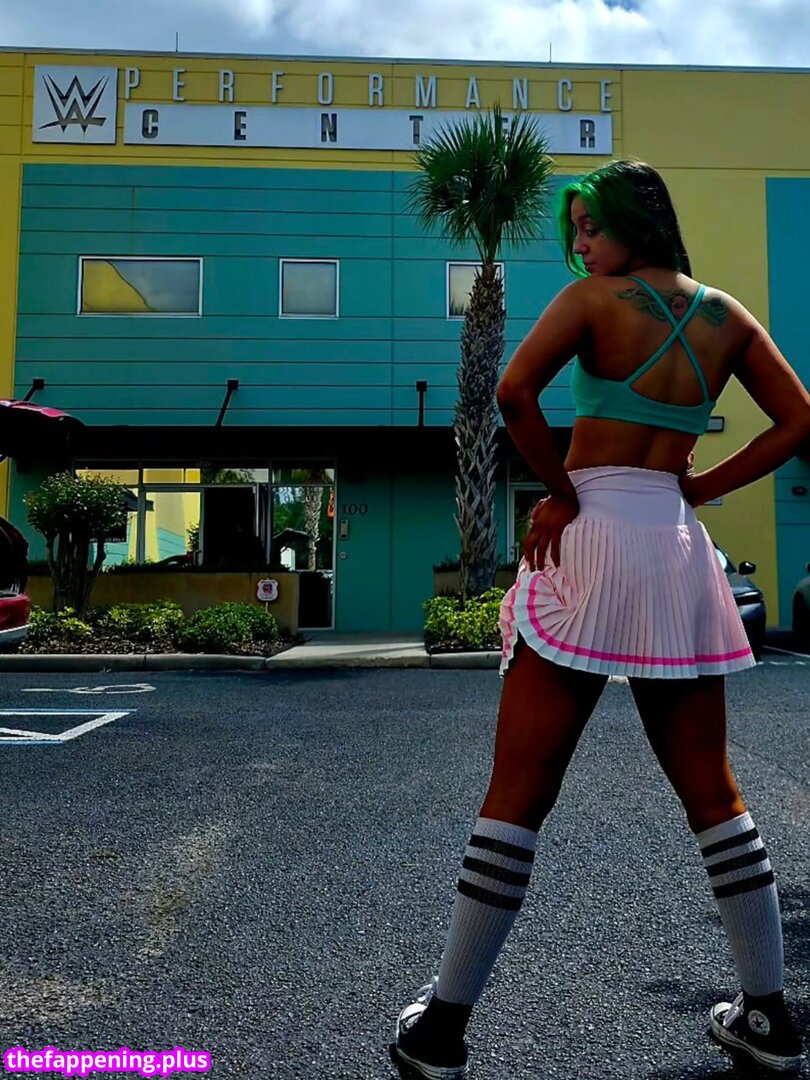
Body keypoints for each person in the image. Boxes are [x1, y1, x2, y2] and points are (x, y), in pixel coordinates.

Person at [391, 159, 810, 1078]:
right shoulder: (728, 315)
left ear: (636, 223)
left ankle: (442, 1026)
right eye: (574, 230)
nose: (580, 246)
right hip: (675, 543)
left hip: (591, 535)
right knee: (714, 793)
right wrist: (701, 483)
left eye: (593, 226)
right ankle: (771, 1017)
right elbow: (797, 420)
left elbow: (512, 394)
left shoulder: (591, 302)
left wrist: (563, 492)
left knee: (520, 789)